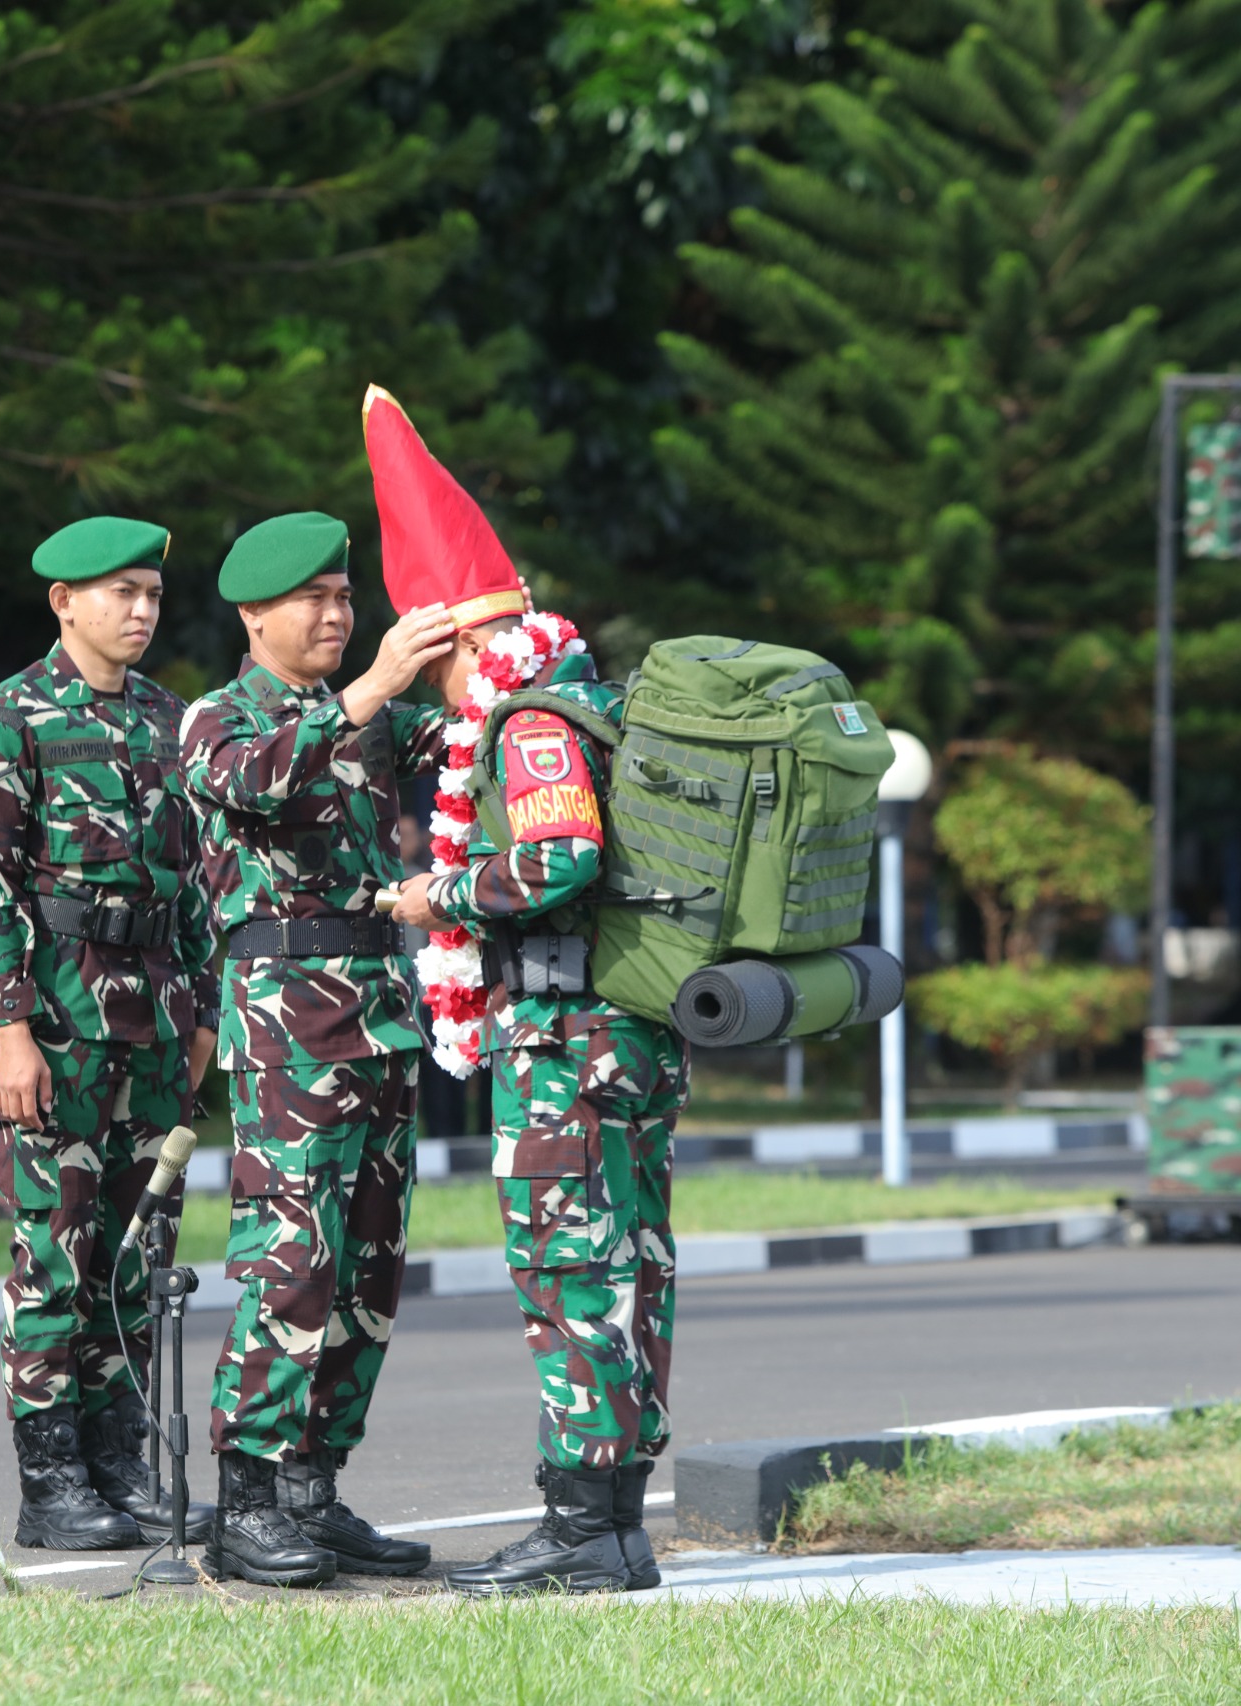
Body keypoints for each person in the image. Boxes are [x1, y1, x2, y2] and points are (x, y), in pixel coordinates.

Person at [375, 386, 689, 1596]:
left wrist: (439, 892)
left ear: (458, 639)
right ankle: (607, 1518)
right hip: (605, 1035)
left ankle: (584, 1524)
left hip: (571, 1040)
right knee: (624, 1263)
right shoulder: (575, 705)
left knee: (573, 1269)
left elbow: (557, 860)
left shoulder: (530, 726)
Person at [177, 510, 457, 1588]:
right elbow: (260, 783)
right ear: (254, 615)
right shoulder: (216, 719)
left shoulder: (374, 713)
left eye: (346, 596)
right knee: (289, 1256)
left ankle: (312, 1487)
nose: (339, 614)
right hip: (287, 1019)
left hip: (380, 1006)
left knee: (369, 1263)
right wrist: (372, 689)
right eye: (315, 600)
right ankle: (245, 1496)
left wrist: (498, 652)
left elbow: (470, 740)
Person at [0, 516, 221, 1552]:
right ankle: (51, 1477)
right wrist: (12, 1029)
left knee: (135, 1249)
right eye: (120, 591)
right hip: (62, 1022)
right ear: (63, 601)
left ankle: (120, 1458)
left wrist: (199, 1013)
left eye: (152, 592)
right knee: (55, 1250)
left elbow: (197, 884)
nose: (142, 610)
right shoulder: (8, 716)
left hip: (156, 1024)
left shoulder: (171, 719)